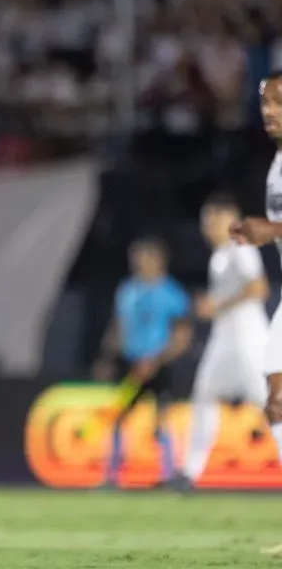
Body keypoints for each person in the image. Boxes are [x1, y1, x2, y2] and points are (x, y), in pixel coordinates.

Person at [183, 193, 271, 489]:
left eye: (213, 220)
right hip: (224, 340)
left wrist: (216, 305)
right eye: (205, 221)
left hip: (248, 340)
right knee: (204, 395)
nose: (208, 227)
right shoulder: (220, 254)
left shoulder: (240, 248)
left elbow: (259, 288)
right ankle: (189, 473)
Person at [93, 238, 192, 489]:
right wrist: (106, 358)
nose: (137, 263)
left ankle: (170, 476)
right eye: (135, 258)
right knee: (117, 417)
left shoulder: (172, 293)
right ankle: (111, 477)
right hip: (131, 365)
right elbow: (118, 326)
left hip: (161, 367)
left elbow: (182, 336)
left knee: (163, 420)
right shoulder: (127, 290)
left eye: (143, 257)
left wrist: (157, 360)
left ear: (158, 260)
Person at [225, 71, 282, 458]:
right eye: (264, 101)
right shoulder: (276, 165)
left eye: (278, 101)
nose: (269, 110)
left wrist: (273, 228)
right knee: (276, 401)